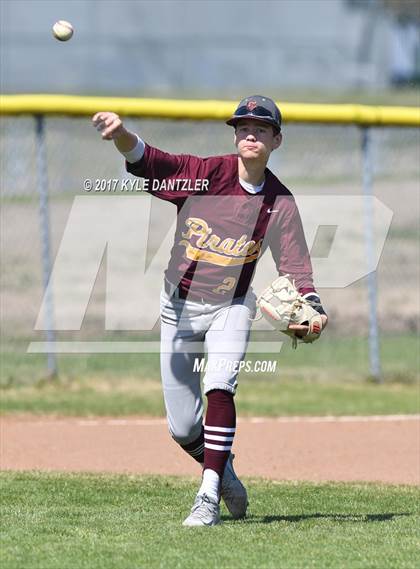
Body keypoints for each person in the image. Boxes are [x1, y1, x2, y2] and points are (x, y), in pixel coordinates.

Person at [92, 95, 327, 527]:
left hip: (232, 306)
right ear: (235, 135)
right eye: (242, 127)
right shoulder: (206, 176)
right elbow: (152, 163)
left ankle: (207, 494)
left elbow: (296, 265)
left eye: (260, 128)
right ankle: (223, 469)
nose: (249, 133)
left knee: (220, 385)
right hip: (178, 308)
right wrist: (122, 136)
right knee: (182, 427)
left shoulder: (280, 201)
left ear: (277, 139)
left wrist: (312, 304)